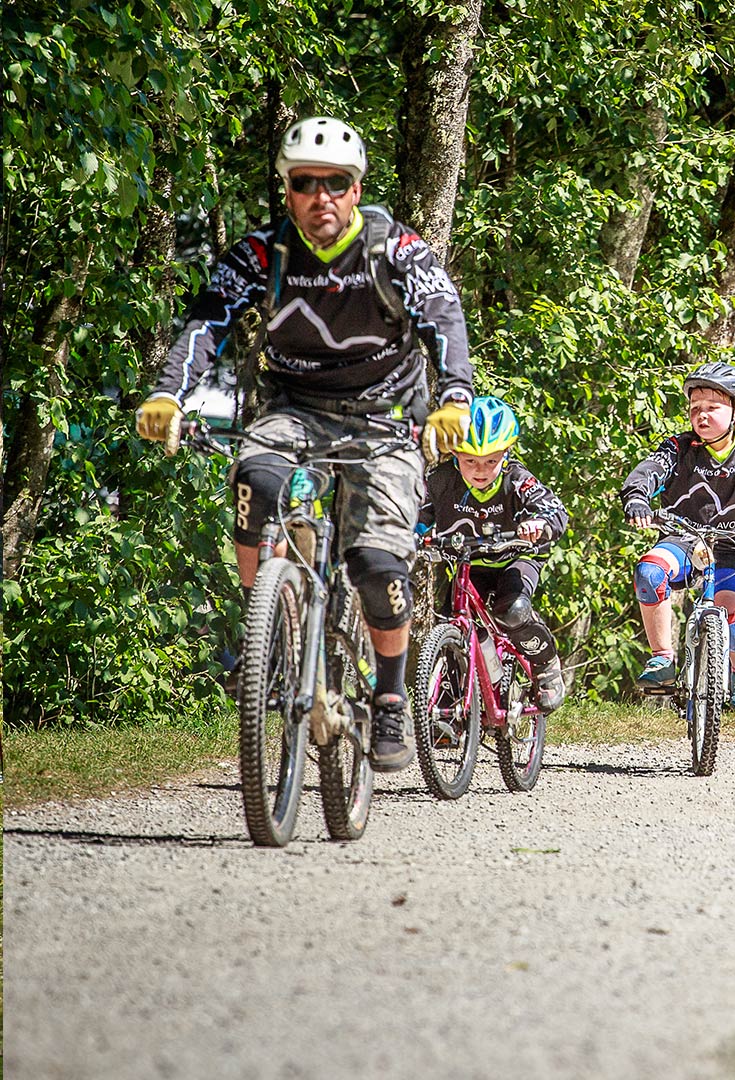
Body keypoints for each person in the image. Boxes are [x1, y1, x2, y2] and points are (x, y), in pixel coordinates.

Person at [135, 116, 474, 772]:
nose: (322, 196)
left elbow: (444, 316)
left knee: (377, 569)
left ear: (356, 188)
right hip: (294, 410)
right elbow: (207, 323)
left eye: (337, 183)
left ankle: (391, 697)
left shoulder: (394, 250)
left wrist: (454, 398)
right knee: (255, 480)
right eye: (306, 182)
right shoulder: (263, 255)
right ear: (288, 189)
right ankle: (268, 631)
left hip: (387, 419)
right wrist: (168, 393)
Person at [619, 363, 735, 709]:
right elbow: (647, 472)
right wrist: (637, 499)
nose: (701, 416)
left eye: (712, 408)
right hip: (684, 538)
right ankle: (662, 659)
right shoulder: (678, 447)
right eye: (694, 409)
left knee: (734, 614)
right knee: (649, 573)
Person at [416, 396, 570, 710]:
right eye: (471, 460)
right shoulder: (439, 481)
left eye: (491, 460)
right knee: (452, 623)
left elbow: (556, 512)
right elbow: (415, 514)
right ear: (455, 453)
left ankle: (546, 664)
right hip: (467, 564)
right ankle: (450, 708)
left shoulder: (518, 480)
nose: (481, 470)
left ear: (506, 454)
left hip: (515, 558)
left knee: (511, 611)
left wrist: (538, 523)